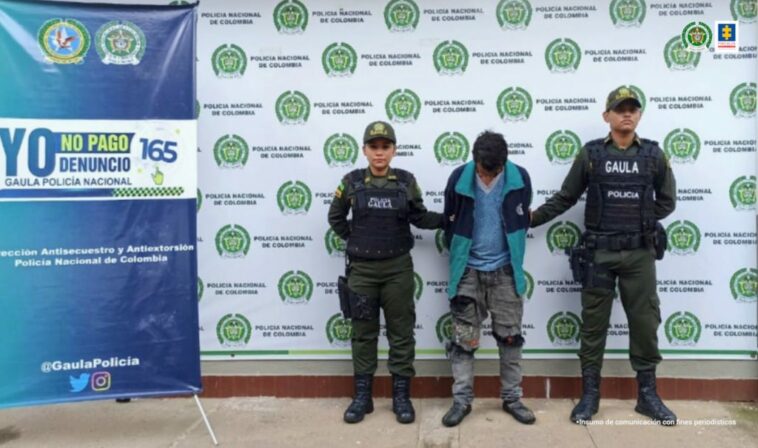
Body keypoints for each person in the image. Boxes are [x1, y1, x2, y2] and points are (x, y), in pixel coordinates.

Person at [530, 87, 677, 425]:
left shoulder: (654, 155)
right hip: (599, 254)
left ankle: (648, 396)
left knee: (644, 323)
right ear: (606, 116)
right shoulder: (592, 154)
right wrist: (532, 218)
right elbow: (567, 196)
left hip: (639, 254)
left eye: (632, 109)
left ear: (639, 115)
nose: (626, 113)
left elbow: (667, 202)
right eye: (619, 108)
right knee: (594, 325)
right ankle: (590, 395)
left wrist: (641, 219)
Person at [328, 120, 443, 424]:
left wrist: (449, 219)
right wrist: (359, 239)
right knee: (363, 334)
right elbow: (336, 218)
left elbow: (419, 216)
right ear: (364, 150)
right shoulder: (351, 181)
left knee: (401, 334)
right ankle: (362, 398)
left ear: (393, 150)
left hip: (397, 270)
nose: (379, 153)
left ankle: (401, 398)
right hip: (362, 271)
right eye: (373, 147)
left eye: (385, 147)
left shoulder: (406, 181)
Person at [440, 131, 535, 427]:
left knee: (510, 339)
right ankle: (461, 401)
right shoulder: (459, 178)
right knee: (464, 341)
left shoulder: (519, 177)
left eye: (493, 171)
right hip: (468, 272)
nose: (487, 175)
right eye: (483, 169)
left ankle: (512, 398)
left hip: (506, 270)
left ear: (504, 163)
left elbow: (522, 216)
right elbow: (449, 221)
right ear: (474, 160)